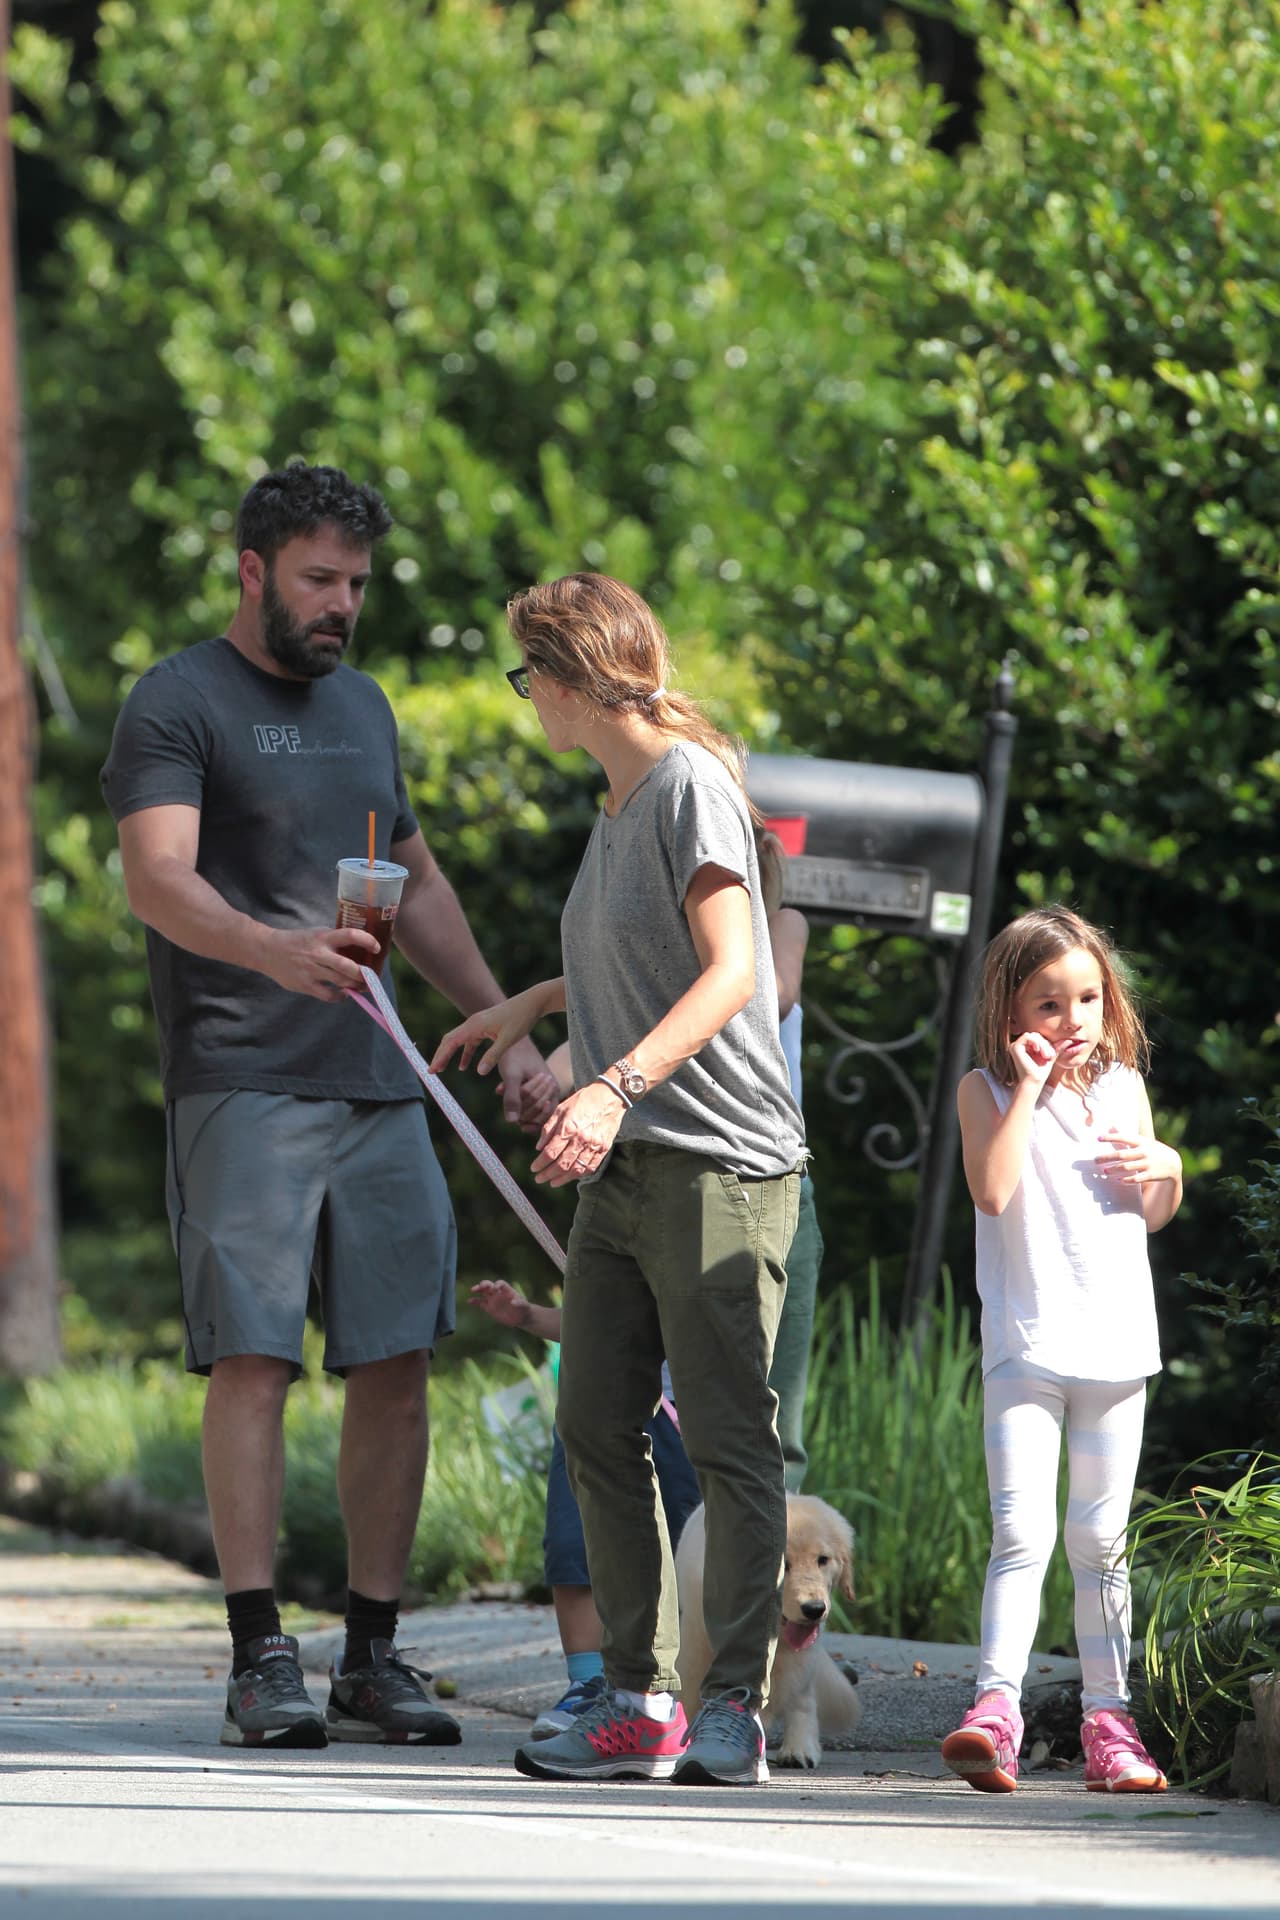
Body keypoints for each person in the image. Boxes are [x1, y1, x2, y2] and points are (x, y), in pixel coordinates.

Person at [100, 460, 545, 1751]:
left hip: (379, 1079)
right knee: (252, 1358)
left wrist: (513, 1033)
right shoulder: (175, 701)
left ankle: (372, 1653)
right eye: (318, 580)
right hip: (242, 1076)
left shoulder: (364, 705)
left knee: (396, 1358)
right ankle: (257, 1657)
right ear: (252, 573)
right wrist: (272, 951)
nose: (342, 604)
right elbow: (156, 882)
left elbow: (415, 881)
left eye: (356, 582)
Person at [431, 573, 806, 1786]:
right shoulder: (617, 804)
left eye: (523, 675)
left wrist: (608, 1086)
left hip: (718, 1163)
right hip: (628, 1173)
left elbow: (730, 972)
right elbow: (631, 965)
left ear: (571, 674)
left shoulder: (690, 787)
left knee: (732, 1442)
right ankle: (636, 1700)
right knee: (596, 1420)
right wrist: (530, 1006)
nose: (522, 699)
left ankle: (729, 1709)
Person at [941, 905, 1183, 1795]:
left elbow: (1150, 1210)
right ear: (1010, 1010)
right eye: (1049, 1003)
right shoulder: (986, 1092)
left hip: (1118, 1351)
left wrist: (1173, 1173)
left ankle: (1110, 1724)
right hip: (1026, 1348)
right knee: (1021, 1533)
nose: (1073, 1020)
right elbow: (995, 1190)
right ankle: (993, 1712)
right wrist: (1033, 1089)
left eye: (1087, 998)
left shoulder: (1123, 1087)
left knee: (1100, 1540)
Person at [470, 1270, 701, 1739]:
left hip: (682, 1408)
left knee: (686, 1550)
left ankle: (687, 1690)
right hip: (595, 1399)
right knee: (573, 1541)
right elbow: (594, 1320)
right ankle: (590, 1683)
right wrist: (529, 1315)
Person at [756, 830, 824, 1491]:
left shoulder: (781, 922)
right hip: (677, 1180)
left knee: (775, 1414)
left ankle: (779, 1583)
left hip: (777, 1188)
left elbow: (771, 994)